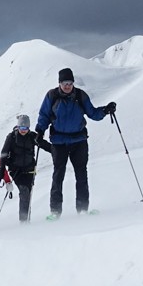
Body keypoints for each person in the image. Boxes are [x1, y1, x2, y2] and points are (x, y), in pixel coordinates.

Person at [33, 68, 116, 219]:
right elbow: (44, 115)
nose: (67, 86)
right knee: (58, 176)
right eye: (65, 83)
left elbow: (92, 113)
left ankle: (83, 209)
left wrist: (105, 110)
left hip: (79, 141)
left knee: (81, 174)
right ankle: (55, 212)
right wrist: (40, 131)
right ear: (59, 83)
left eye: (70, 83)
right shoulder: (51, 96)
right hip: (59, 142)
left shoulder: (80, 95)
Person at [0, 114, 52, 222]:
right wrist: (1, 168)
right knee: (24, 192)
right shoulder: (11, 137)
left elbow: (45, 145)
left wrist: (56, 151)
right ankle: (23, 221)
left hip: (29, 171)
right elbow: (4, 153)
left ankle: (27, 220)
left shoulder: (32, 136)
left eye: (26, 128)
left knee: (28, 195)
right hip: (16, 171)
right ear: (18, 127)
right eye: (21, 128)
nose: (23, 131)